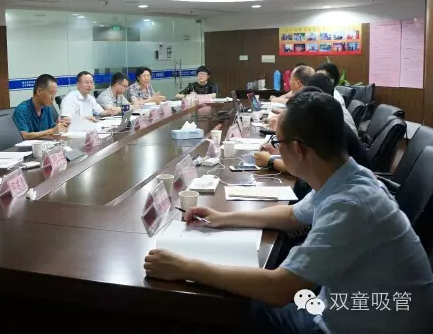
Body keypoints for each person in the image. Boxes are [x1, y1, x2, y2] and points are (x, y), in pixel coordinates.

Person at [144, 91, 433, 334]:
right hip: (356, 310)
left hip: (361, 325)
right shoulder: (347, 176)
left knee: (239, 305)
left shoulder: (350, 205)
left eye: (277, 142)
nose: (275, 149)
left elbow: (279, 289)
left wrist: (185, 268)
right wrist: (222, 218)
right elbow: (293, 215)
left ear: (298, 149)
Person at [255, 86, 370, 176]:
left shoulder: (333, 190)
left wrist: (271, 161)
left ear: (298, 149)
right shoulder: (331, 125)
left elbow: (304, 166)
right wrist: (286, 147)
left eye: (279, 142)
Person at [13, 74, 68, 139]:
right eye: (51, 93)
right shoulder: (22, 110)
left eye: (55, 93)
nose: (53, 98)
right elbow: (23, 136)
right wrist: (52, 131)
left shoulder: (47, 108)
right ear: (39, 91)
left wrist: (60, 125)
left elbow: (50, 128)